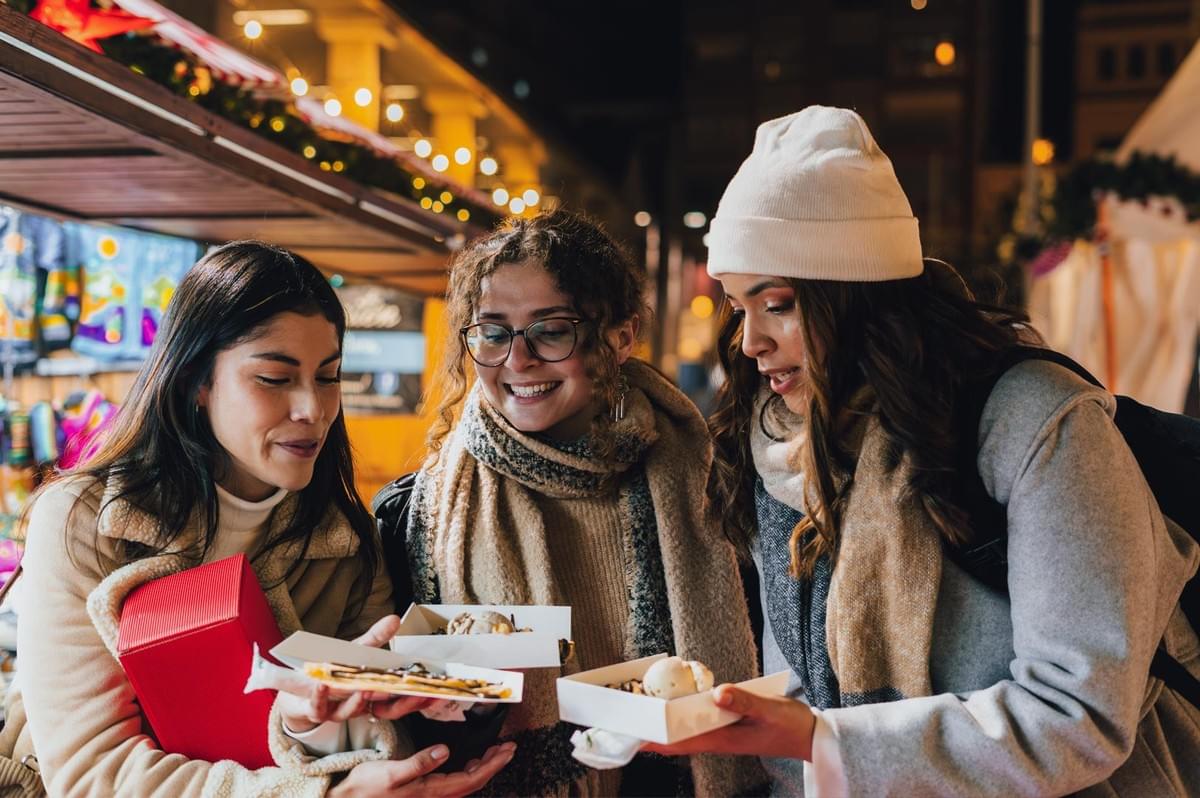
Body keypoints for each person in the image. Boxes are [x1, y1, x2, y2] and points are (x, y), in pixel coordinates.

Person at [652, 106, 1200, 796]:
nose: (750, 342)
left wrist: (826, 742)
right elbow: (799, 689)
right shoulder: (778, 445)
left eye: (780, 303)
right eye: (738, 307)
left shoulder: (1034, 421)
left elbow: (1080, 714)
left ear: (855, 294)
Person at [8, 241, 513, 796]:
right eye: (274, 379)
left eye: (328, 376)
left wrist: (314, 724)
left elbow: (377, 742)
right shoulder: (85, 520)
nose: (313, 410)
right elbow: (91, 775)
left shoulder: (344, 536)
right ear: (195, 382)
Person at [375, 210, 764, 796]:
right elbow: (407, 733)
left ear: (621, 336)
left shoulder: (717, 491)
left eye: (551, 330)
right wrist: (446, 697)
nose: (518, 360)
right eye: (493, 332)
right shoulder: (417, 514)